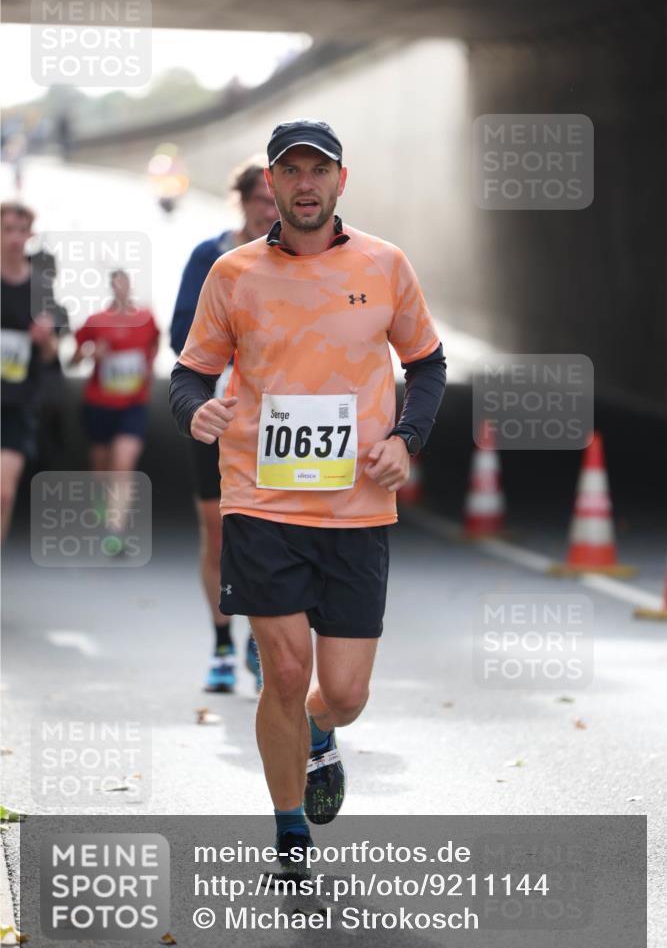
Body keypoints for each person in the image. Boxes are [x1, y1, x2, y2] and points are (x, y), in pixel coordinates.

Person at [170, 120, 446, 875]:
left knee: (345, 692)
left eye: (316, 170)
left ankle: (320, 733)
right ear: (271, 184)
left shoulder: (386, 265)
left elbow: (426, 363)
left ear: (338, 182)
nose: (302, 183)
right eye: (288, 171)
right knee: (285, 672)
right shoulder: (232, 274)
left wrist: (405, 439)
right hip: (260, 499)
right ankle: (289, 829)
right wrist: (193, 409)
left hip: (357, 506)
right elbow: (190, 371)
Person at [171, 158, 277, 694]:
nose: (272, 211)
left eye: (277, 201)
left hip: (277, 426)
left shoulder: (300, 261)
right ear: (242, 201)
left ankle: (262, 641)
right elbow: (181, 343)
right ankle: (220, 644)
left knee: (270, 535)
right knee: (217, 533)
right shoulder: (211, 257)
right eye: (263, 200)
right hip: (217, 420)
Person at [70, 269, 159, 551]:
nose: (120, 288)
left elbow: (156, 342)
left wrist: (148, 365)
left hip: (133, 404)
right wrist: (89, 353)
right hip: (99, 403)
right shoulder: (95, 321)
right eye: (115, 284)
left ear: (129, 286)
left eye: (125, 283)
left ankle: (114, 531)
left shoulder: (145, 319)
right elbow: (72, 359)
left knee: (123, 463)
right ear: (111, 287)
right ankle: (101, 500)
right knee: (102, 465)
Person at [1, 201, 59, 542]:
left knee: (3, 494)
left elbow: (51, 355)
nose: (14, 238)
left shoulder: (40, 285)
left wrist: (45, 338)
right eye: (7, 229)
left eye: (21, 231)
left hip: (18, 403)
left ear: (30, 235)